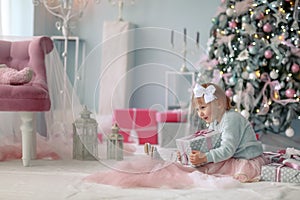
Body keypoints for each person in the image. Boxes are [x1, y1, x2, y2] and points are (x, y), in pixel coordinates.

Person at [177, 82, 268, 182]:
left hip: (246, 158)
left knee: (210, 169)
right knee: (203, 165)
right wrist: (188, 153)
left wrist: (205, 157)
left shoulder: (231, 119)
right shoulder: (215, 122)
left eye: (203, 108)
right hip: (231, 156)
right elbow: (214, 145)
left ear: (219, 104)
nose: (200, 114)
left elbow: (227, 150)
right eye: (197, 110)